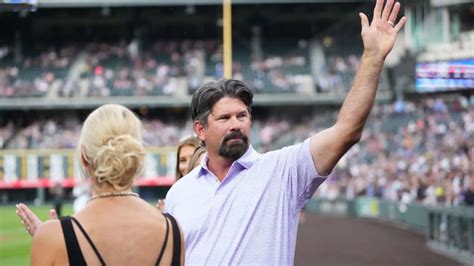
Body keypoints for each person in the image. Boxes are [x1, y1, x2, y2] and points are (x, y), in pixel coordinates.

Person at [164, 0, 406, 264]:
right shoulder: (179, 192)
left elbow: (346, 131)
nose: (236, 124)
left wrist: (372, 57)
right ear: (200, 129)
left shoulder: (282, 170)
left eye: (242, 115)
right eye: (224, 118)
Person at [17, 104, 184, 265]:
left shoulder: (53, 237)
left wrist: (53, 240)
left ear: (83, 157)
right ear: (137, 156)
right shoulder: (173, 230)